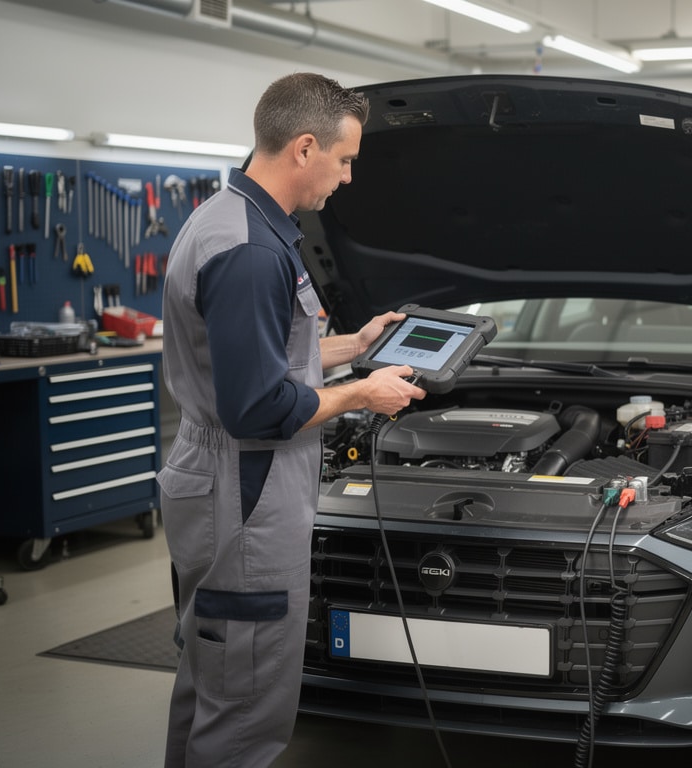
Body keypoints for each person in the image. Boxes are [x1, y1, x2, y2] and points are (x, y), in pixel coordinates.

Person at [157, 72, 425, 767]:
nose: (346, 178)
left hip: (217, 479)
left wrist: (354, 345)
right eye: (345, 160)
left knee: (212, 675)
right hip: (244, 489)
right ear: (305, 148)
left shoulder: (232, 218)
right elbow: (259, 406)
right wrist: (363, 395)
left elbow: (266, 355)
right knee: (243, 705)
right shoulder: (249, 251)